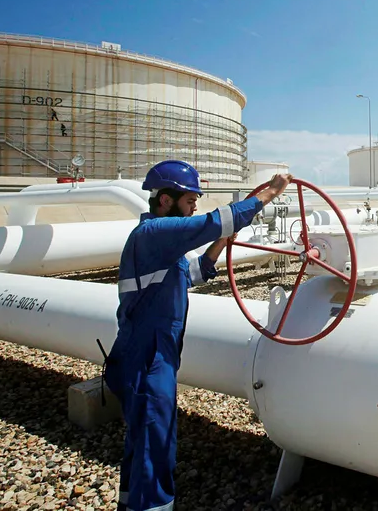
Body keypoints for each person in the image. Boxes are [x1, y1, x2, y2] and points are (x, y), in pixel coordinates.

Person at [103, 159, 291, 511]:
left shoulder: (161, 248)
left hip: (151, 354)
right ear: (165, 200)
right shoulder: (154, 235)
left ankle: (130, 504)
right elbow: (215, 220)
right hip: (146, 358)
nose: (194, 206)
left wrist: (220, 245)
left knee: (142, 442)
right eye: (190, 200)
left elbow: (193, 272)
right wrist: (271, 191)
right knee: (155, 446)